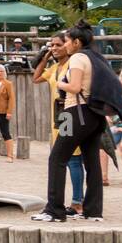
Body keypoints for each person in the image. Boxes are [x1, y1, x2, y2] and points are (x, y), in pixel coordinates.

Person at [34, 20, 106, 223]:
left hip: (72, 113)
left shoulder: (76, 59)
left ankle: (54, 210)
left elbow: (73, 87)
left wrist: (61, 83)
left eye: (64, 42)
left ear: (75, 42)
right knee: (92, 162)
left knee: (57, 158)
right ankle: (93, 211)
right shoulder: (96, 58)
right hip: (93, 114)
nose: (61, 46)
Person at [33, 33, 85, 216]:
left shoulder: (73, 65)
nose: (54, 48)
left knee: (73, 158)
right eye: (52, 45)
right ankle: (72, 201)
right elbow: (36, 78)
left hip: (69, 114)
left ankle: (78, 202)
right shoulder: (54, 68)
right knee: (64, 157)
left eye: (58, 45)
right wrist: (46, 57)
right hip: (58, 115)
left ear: (68, 45)